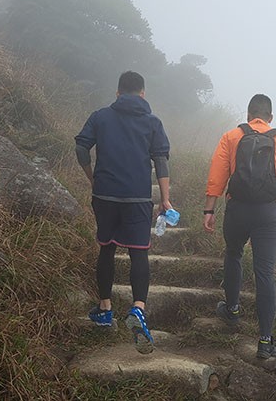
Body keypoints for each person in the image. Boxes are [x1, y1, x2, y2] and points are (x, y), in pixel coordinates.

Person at [75, 71, 172, 354]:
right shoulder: (152, 122)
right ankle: (138, 309)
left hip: (104, 195)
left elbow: (81, 148)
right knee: (138, 252)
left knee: (106, 249)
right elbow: (161, 161)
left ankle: (105, 309)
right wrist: (165, 199)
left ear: (118, 93)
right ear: (143, 93)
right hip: (138, 198)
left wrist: (92, 179)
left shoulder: (101, 116)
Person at [203, 93, 276, 360]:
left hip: (237, 208)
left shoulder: (232, 137)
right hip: (267, 214)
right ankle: (265, 340)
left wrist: (209, 209)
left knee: (234, 253)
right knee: (265, 272)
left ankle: (233, 309)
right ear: (270, 118)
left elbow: (217, 174)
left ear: (248, 115)